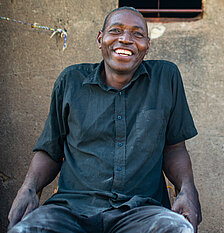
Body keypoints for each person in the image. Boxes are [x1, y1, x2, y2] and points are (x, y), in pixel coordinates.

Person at [8, 7, 201, 233]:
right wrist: (28, 189)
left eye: (137, 34)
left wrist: (188, 191)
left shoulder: (166, 78)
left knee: (177, 229)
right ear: (101, 39)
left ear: (147, 45)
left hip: (143, 212)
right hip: (70, 211)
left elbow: (175, 148)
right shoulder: (70, 81)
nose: (125, 39)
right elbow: (50, 151)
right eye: (116, 30)